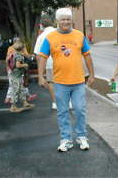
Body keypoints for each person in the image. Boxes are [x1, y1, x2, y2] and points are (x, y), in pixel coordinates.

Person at [38, 8, 95, 152]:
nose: (65, 22)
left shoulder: (79, 35)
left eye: (68, 19)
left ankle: (82, 136)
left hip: (78, 82)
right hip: (60, 82)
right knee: (62, 111)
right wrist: (40, 76)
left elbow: (87, 56)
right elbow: (42, 57)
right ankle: (66, 139)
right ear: (57, 21)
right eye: (62, 19)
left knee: (79, 109)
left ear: (71, 20)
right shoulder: (50, 37)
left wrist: (92, 74)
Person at [5, 38, 37, 104]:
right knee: (19, 84)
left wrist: (8, 67)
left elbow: (7, 59)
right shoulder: (21, 49)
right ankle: (11, 100)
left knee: (15, 83)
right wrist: (25, 64)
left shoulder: (10, 48)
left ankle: (27, 97)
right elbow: (26, 56)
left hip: (10, 69)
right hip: (18, 71)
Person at [34, 19, 57, 109]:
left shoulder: (41, 36)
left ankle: (55, 103)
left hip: (48, 62)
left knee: (51, 82)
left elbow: (38, 54)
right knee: (64, 81)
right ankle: (68, 101)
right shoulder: (58, 32)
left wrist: (40, 73)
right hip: (62, 62)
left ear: (41, 25)